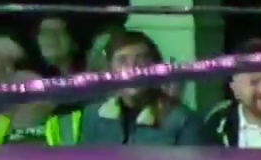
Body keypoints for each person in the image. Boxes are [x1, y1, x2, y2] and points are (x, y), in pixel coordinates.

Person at [70, 31, 208, 146]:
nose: (132, 68)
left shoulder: (182, 121)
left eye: (141, 59)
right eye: (122, 60)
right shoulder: (93, 116)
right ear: (111, 70)